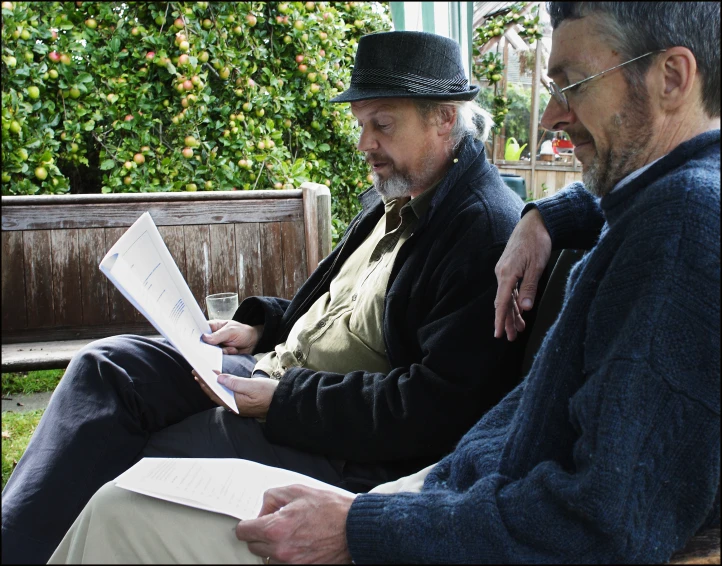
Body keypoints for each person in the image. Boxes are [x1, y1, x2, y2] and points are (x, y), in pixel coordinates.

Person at [46, 2, 719, 563]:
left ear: (671, 77)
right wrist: (551, 214)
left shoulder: (679, 232)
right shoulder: (651, 207)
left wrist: (358, 526)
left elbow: (607, 523)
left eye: (571, 85)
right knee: (114, 377)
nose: (549, 118)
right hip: (440, 496)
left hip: (420, 509)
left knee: (123, 505)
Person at [2, 31, 532, 564]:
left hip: (334, 444)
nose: (364, 143)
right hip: (266, 377)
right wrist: (261, 325)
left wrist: (283, 402)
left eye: (382, 124)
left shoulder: (480, 231)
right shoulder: (399, 199)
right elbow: (336, 313)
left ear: (445, 117)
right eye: (361, 124)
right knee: (109, 364)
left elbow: (438, 410)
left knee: (135, 457)